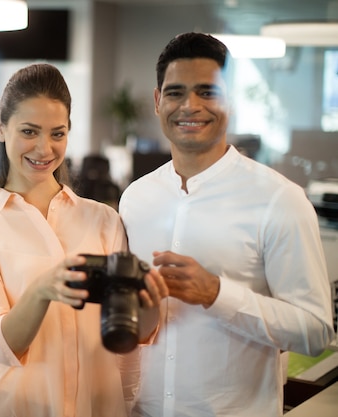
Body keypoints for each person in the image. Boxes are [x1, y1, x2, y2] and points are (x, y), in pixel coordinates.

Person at [118, 32, 336, 417]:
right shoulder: (135, 199)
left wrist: (216, 294)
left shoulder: (279, 200)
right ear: (157, 101)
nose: (190, 106)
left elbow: (316, 331)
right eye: (175, 92)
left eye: (208, 92)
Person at [0, 63, 168, 417]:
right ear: (0, 127)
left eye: (57, 133)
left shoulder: (103, 219)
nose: (44, 148)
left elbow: (131, 340)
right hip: (19, 406)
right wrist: (41, 290)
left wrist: (150, 303)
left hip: (98, 404)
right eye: (29, 131)